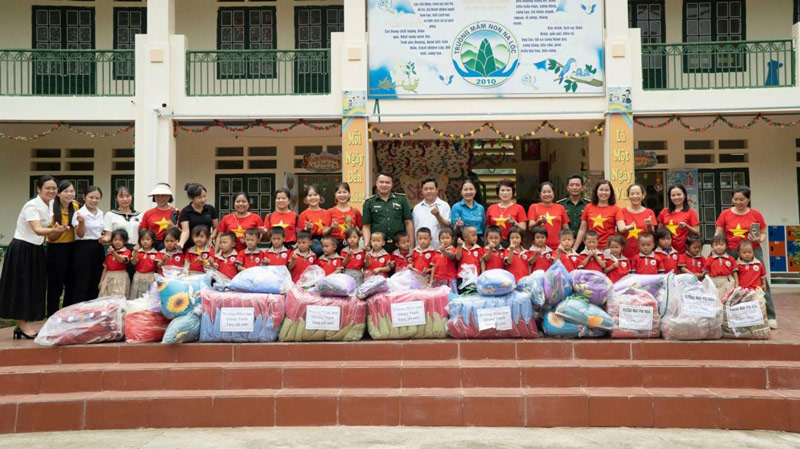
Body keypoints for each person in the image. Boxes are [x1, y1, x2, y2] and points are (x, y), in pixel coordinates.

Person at [0, 175, 65, 339]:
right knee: (22, 287)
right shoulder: (32, 206)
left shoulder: (50, 204)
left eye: (54, 188)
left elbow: (45, 230)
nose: (51, 191)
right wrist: (54, 231)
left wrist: (55, 230)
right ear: (38, 189)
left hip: (36, 248)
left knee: (34, 286)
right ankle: (21, 325)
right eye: (47, 188)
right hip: (22, 249)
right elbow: (37, 229)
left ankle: (24, 323)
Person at [715, 185, 775, 327]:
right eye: (735, 199)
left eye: (742, 199)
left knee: (761, 281)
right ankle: (731, 315)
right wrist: (717, 248)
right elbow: (719, 232)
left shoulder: (756, 214)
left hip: (752, 251)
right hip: (731, 251)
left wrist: (759, 239)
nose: (738, 202)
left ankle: (770, 315)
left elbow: (764, 232)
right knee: (732, 282)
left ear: (748, 199)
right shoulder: (725, 214)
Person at [46, 180, 78, 317]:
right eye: (66, 191)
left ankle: (66, 314)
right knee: (55, 285)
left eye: (71, 191)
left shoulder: (76, 207)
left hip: (73, 248)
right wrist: (59, 231)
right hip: (56, 249)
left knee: (71, 283)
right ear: (58, 193)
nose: (69, 194)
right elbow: (51, 237)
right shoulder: (52, 208)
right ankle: (52, 315)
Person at [71, 186, 106, 305]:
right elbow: (80, 234)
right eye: (91, 197)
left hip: (98, 247)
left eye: (97, 198)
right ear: (84, 197)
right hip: (83, 248)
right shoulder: (79, 213)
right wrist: (82, 221)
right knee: (82, 280)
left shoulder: (101, 213)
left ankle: (92, 311)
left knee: (96, 279)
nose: (94, 200)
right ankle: (78, 311)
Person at [362, 172, 414, 253]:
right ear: (376, 183)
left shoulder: (401, 199)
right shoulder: (369, 202)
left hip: (399, 244)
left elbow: (408, 222)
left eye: (387, 182)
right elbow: (366, 226)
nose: (384, 185)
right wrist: (366, 243)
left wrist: (411, 243)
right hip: (378, 245)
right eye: (381, 182)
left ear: (392, 184)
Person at [102, 185, 142, 279]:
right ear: (116, 198)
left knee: (133, 277)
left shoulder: (140, 215)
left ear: (132, 197)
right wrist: (103, 240)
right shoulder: (110, 215)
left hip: (135, 250)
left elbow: (141, 234)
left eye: (128, 196)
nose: (125, 199)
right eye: (121, 196)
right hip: (118, 250)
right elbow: (108, 235)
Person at [574, 180, 620, 251]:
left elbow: (620, 229)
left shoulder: (616, 209)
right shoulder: (588, 207)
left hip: (608, 248)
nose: (603, 193)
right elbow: (582, 230)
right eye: (601, 190)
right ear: (596, 191)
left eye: (606, 190)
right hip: (591, 247)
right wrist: (574, 249)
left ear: (611, 192)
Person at [616, 184, 657, 259]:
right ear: (628, 196)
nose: (635, 196)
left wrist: (649, 225)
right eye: (632, 194)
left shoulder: (649, 212)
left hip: (644, 254)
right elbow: (620, 230)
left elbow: (652, 234)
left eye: (638, 193)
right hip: (625, 253)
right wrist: (627, 228)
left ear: (643, 195)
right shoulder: (621, 211)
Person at [657, 184, 700, 254]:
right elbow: (659, 232)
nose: (676, 197)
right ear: (670, 197)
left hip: (684, 251)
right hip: (666, 251)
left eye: (679, 194)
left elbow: (696, 231)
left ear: (684, 195)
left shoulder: (691, 212)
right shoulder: (664, 211)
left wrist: (686, 226)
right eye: (673, 195)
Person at [412, 177, 451, 250]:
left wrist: (437, 215)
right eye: (426, 189)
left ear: (436, 190)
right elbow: (413, 229)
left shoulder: (444, 206)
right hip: (420, 250)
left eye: (431, 188)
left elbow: (447, 226)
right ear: (422, 191)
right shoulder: (416, 208)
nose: (428, 191)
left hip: (439, 248)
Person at [528, 182, 569, 250]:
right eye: (544, 192)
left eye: (549, 191)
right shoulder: (534, 207)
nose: (547, 194)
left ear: (553, 193)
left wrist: (566, 244)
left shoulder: (560, 207)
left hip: (558, 247)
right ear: (540, 194)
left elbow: (566, 229)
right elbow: (530, 227)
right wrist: (538, 222)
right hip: (539, 248)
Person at [486, 179, 527, 245]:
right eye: (502, 190)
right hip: (494, 243)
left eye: (508, 190)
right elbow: (487, 228)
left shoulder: (519, 208)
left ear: (513, 192)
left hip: (512, 243)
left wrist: (514, 223)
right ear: (498, 192)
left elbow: (523, 229)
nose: (505, 193)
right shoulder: (491, 208)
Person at [179, 183, 219, 252]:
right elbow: (185, 231)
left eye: (204, 196)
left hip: (206, 245)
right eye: (199, 197)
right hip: (190, 246)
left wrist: (210, 238)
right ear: (191, 198)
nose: (203, 199)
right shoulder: (185, 211)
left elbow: (216, 228)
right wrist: (181, 243)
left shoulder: (211, 209)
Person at [325, 182, 363, 250]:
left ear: (349, 194)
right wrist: (332, 228)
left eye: (344, 192)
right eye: (339, 192)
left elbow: (362, 230)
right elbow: (324, 233)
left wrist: (353, 232)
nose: (342, 195)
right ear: (335, 195)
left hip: (352, 245)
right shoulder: (330, 211)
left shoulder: (355, 211)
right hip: (334, 246)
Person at [139, 183, 176, 250]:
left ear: (169, 196)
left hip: (171, 245)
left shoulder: (177, 212)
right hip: (152, 246)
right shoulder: (148, 213)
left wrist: (175, 228)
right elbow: (143, 232)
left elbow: (184, 231)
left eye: (163, 195)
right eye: (157, 196)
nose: (160, 198)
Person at [703, 234, 738, 300]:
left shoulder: (730, 259)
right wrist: (707, 283)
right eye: (716, 245)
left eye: (721, 245)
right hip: (714, 281)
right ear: (712, 246)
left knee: (727, 299)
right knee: (716, 300)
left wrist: (737, 284)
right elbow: (707, 272)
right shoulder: (710, 259)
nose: (719, 247)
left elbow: (735, 272)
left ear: (726, 246)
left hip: (727, 281)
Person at [98, 229, 131, 298]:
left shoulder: (126, 251)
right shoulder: (109, 253)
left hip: (120, 277)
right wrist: (101, 281)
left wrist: (113, 253)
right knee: (105, 297)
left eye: (120, 240)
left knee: (118, 297)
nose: (117, 242)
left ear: (125, 241)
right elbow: (105, 268)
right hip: (108, 277)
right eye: (115, 240)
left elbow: (121, 260)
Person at [298, 184, 328, 256]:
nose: (313, 197)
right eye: (310, 195)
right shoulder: (303, 215)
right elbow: (302, 236)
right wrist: (307, 229)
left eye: (315, 195)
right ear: (306, 198)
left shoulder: (326, 212)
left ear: (320, 197)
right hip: (310, 245)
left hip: (325, 243)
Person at [557, 174, 590, 238]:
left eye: (577, 185)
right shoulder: (560, 205)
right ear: (567, 188)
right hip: (565, 241)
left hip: (585, 242)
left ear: (583, 187)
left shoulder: (589, 205)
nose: (574, 187)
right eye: (571, 185)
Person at [130, 230, 159, 299]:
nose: (145, 241)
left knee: (149, 296)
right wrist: (136, 252)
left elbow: (158, 267)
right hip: (138, 275)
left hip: (150, 276)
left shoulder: (156, 253)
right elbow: (134, 262)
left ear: (153, 241)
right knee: (135, 295)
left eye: (148, 239)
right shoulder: (136, 252)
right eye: (142, 239)